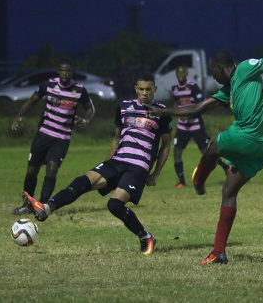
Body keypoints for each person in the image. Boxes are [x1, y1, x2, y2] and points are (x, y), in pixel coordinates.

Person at [148, 50, 263, 264]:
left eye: (214, 72)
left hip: (249, 135)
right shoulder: (228, 91)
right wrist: (163, 112)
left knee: (214, 145)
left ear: (222, 68)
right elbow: (197, 108)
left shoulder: (244, 68)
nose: (213, 77)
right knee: (229, 191)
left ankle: (199, 181)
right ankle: (219, 252)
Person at [21, 72, 172, 255]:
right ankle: (46, 208)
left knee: (114, 205)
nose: (145, 93)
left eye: (148, 89)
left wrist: (155, 173)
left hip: (138, 167)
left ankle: (145, 237)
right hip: (117, 161)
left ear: (154, 90)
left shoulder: (162, 112)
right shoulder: (124, 107)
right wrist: (109, 161)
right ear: (136, 89)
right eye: (141, 89)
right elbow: (116, 137)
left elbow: (166, 145)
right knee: (82, 181)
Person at [11, 62, 95, 215]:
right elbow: (32, 100)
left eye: (68, 71)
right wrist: (19, 115)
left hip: (61, 138)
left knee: (52, 169)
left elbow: (90, 108)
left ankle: (42, 206)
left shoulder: (79, 89)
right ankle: (27, 204)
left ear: (72, 72)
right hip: (43, 135)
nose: (65, 74)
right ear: (58, 72)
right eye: (62, 71)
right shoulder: (48, 85)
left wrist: (85, 120)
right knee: (31, 171)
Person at [171, 66, 230, 188]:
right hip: (182, 128)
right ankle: (181, 181)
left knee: (207, 153)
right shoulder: (175, 89)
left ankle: (226, 168)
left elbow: (201, 106)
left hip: (196, 125)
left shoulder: (193, 87)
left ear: (186, 73)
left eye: (182, 72)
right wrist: (175, 111)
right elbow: (177, 104)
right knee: (176, 152)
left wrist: (188, 115)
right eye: (178, 73)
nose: (180, 75)